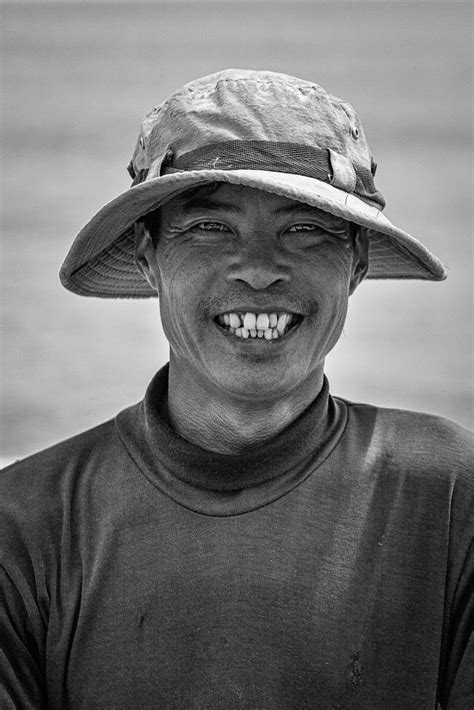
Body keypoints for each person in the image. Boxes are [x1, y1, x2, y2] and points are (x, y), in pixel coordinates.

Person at [1, 69, 472, 709]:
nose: (257, 269)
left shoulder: (453, 497)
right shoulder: (23, 524)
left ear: (356, 260)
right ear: (148, 255)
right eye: (210, 228)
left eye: (306, 229)